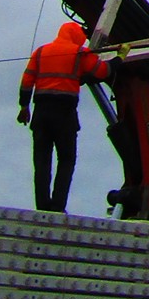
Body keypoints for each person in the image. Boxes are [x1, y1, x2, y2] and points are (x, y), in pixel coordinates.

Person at [18, 19, 109, 213]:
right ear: (75, 36)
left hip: (41, 113)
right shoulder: (80, 53)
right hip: (65, 114)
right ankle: (58, 206)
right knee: (66, 160)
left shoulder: (41, 52)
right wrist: (119, 59)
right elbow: (102, 72)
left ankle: (42, 206)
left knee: (42, 163)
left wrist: (24, 106)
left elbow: (27, 80)